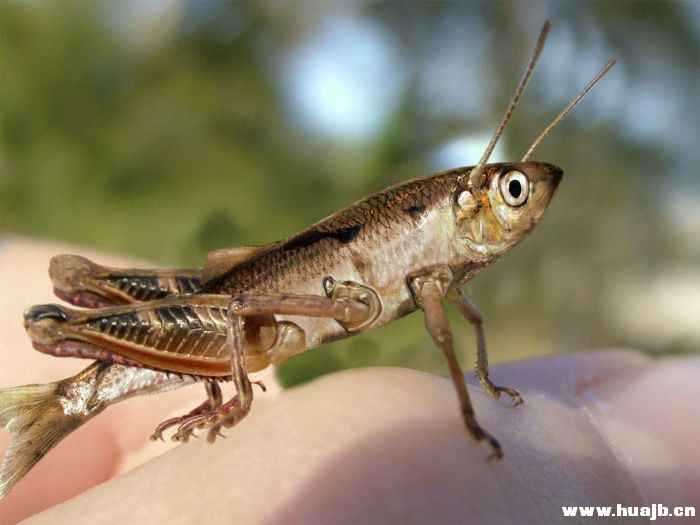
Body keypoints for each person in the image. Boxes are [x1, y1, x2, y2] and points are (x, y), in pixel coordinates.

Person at [1, 240, 698, 524]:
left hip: (246, 322)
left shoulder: (442, 278)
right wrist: (231, 395)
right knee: (235, 311)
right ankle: (71, 377)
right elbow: (239, 311)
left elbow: (468, 313)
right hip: (242, 317)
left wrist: (485, 376)